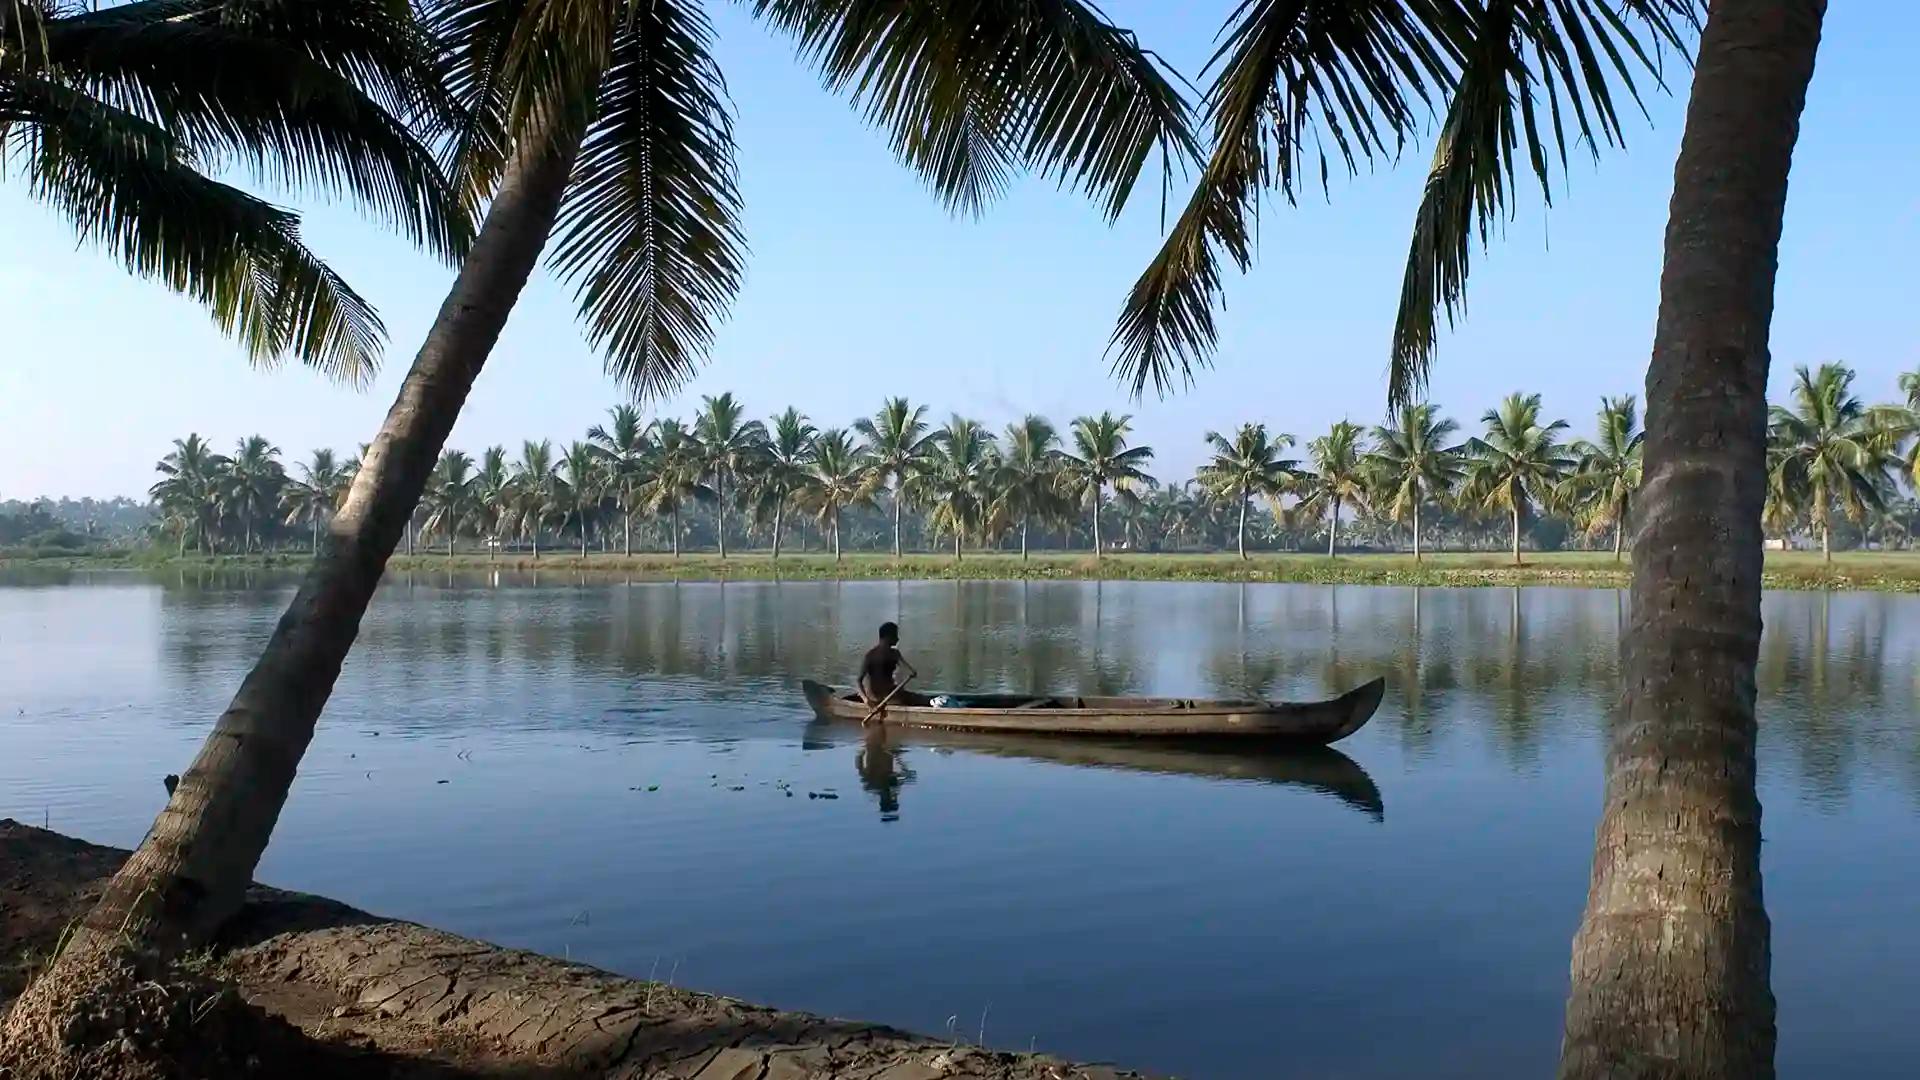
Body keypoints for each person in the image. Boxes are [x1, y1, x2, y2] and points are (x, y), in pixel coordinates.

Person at [857, 621, 923, 720]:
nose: (897, 639)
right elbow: (858, 681)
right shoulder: (875, 655)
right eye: (895, 635)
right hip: (882, 698)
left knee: (915, 697)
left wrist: (912, 672)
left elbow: (909, 670)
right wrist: (866, 700)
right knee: (915, 699)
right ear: (887, 637)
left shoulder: (888, 654)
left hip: (885, 694)